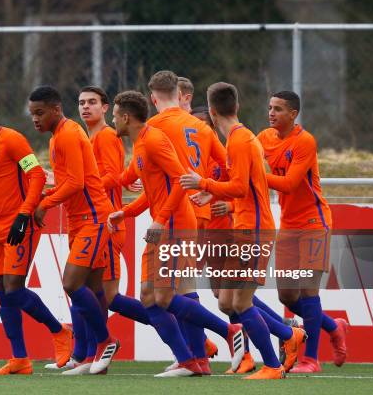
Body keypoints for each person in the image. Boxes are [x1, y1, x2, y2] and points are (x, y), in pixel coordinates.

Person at [108, 90, 244, 377]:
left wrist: (161, 219)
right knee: (149, 296)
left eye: (114, 115)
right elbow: (154, 190)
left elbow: (180, 181)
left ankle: (227, 332)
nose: (112, 120)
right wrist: (127, 212)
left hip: (175, 226)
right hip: (163, 225)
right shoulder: (142, 143)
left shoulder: (155, 140)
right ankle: (190, 360)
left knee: (163, 298)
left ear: (125, 117)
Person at [180, 82, 302, 379]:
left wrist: (204, 184)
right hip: (244, 228)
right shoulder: (241, 137)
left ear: (211, 111)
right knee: (226, 301)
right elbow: (243, 186)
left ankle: (273, 365)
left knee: (241, 302)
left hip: (255, 231)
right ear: (236, 107)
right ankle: (289, 335)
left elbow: (237, 187)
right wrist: (212, 194)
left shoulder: (240, 140)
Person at [0, 91, 72, 375]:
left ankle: (60, 332)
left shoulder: (12, 140)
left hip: (20, 226)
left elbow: (36, 175)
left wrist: (24, 214)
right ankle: (19, 359)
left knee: (13, 288)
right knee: (3, 292)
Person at [56, 86, 151, 375]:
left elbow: (112, 176)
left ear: (106, 108)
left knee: (100, 294)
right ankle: (84, 356)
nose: (86, 107)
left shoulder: (107, 136)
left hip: (105, 223)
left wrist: (80, 181)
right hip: (92, 222)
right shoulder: (84, 136)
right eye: (82, 102)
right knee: (89, 291)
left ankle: (188, 335)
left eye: (92, 102)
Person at [144, 71, 234, 375]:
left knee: (171, 293)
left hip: (175, 214)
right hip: (199, 214)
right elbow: (229, 166)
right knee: (183, 288)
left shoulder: (154, 127)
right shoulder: (201, 127)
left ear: (153, 98)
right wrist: (214, 193)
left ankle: (198, 353)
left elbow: (167, 177)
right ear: (177, 94)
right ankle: (196, 358)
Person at [28, 85, 119, 375]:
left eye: (40, 113)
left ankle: (106, 341)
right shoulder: (58, 137)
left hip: (93, 218)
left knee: (71, 284)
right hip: (79, 219)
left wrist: (45, 203)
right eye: (32, 114)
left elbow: (77, 183)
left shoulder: (68, 133)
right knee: (93, 288)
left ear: (56, 109)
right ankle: (94, 358)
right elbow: (70, 180)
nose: (35, 119)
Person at [257, 90, 348, 373]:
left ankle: (311, 359)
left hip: (313, 224)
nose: (271, 113)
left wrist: (254, 175)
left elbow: (290, 184)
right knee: (287, 296)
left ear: (293, 114)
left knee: (308, 291)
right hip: (288, 225)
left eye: (278, 109)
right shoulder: (263, 138)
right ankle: (334, 327)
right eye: (270, 108)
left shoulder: (304, 141)